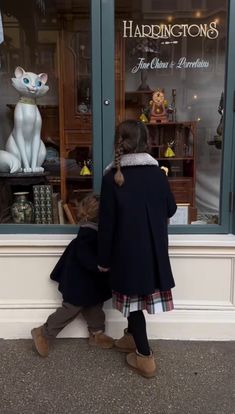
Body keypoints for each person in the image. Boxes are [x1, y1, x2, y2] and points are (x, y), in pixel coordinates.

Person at [98, 120, 177, 378]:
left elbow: (106, 224)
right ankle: (131, 339)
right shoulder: (158, 174)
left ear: (118, 143)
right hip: (153, 252)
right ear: (146, 142)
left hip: (126, 254)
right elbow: (171, 209)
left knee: (132, 304)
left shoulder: (112, 178)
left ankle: (145, 356)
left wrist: (104, 259)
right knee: (137, 299)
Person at [31, 193, 114, 357]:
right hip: (80, 281)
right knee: (71, 308)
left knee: (94, 305)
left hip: (91, 281)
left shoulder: (98, 231)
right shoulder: (88, 233)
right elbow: (84, 255)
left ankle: (96, 333)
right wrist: (98, 266)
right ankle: (43, 333)